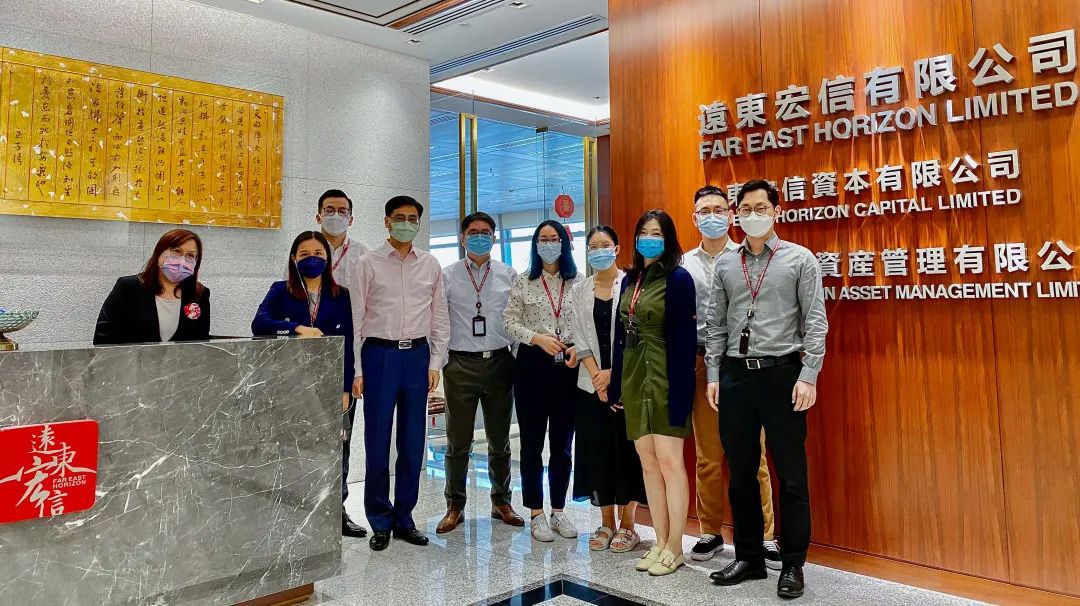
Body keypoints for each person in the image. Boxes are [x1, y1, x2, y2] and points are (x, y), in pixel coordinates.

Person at [705, 180, 828, 599]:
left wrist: (809, 375)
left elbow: (816, 321)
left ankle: (792, 563)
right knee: (740, 474)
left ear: (776, 211)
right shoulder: (726, 263)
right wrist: (713, 374)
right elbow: (716, 324)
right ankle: (749, 558)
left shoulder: (800, 259)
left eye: (761, 207)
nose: (753, 214)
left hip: (783, 376)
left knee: (791, 476)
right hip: (736, 377)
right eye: (746, 208)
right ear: (736, 215)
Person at [680, 186, 779, 566]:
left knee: (754, 456)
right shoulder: (682, 264)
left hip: (743, 364)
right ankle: (709, 532)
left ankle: (764, 535)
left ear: (731, 215)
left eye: (719, 209)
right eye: (704, 210)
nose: (712, 216)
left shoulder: (747, 257)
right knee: (707, 457)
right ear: (694, 218)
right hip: (701, 363)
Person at [347, 195, 449, 552]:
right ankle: (379, 519)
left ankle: (405, 517)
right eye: (399, 217)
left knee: (413, 441)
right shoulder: (367, 263)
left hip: (417, 357)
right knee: (377, 441)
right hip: (379, 355)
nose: (407, 223)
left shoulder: (430, 264)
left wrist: (435, 363)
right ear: (387, 222)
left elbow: (439, 317)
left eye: (412, 218)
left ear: (419, 222)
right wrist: (357, 369)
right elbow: (356, 319)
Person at [250, 231, 362, 538]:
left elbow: (350, 342)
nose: (312, 259)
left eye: (318, 253)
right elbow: (259, 325)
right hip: (291, 385)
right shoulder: (280, 291)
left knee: (338, 450)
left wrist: (345, 386)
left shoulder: (343, 296)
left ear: (328, 258)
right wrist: (296, 328)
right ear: (293, 258)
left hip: (333, 385)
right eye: (304, 254)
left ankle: (336, 511)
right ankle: (295, 512)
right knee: (295, 449)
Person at [610, 209, 697, 576]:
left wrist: (681, 394)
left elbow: (684, 342)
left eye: (657, 233)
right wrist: (616, 384)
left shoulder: (678, 279)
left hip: (665, 377)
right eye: (644, 232)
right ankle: (659, 541)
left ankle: (675, 547)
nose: (649, 239)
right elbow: (619, 337)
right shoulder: (631, 279)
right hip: (634, 378)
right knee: (647, 463)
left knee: (670, 462)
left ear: (669, 239)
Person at [436, 211, 525, 534]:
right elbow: (439, 321)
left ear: (495, 237)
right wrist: (441, 363)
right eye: (473, 232)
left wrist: (516, 359)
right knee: (458, 442)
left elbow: (518, 318)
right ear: (462, 238)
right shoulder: (447, 276)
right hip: (460, 364)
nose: (479, 237)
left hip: (500, 362)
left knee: (500, 441)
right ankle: (454, 505)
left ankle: (501, 501)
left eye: (486, 232)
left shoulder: (508, 274)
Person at [569, 226, 647, 554]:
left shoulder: (632, 284)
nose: (599, 250)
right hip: (590, 387)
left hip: (626, 382)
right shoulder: (580, 289)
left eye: (605, 245)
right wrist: (598, 379)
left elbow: (637, 335)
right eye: (593, 246)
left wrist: (614, 378)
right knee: (597, 452)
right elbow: (579, 337)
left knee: (627, 453)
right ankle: (606, 522)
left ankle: (628, 525)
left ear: (616, 249)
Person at [503, 220, 581, 542]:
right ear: (535, 245)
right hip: (532, 364)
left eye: (554, 238)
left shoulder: (578, 281)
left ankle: (558, 510)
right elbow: (508, 322)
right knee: (532, 443)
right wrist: (537, 338)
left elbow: (586, 322)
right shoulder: (524, 281)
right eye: (543, 239)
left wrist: (577, 346)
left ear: (564, 243)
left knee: (563, 444)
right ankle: (536, 512)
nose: (549, 244)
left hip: (568, 364)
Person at [315, 188, 370, 540]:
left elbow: (367, 314)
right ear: (318, 215)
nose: (335, 215)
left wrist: (358, 371)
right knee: (306, 438)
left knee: (341, 439)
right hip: (307, 357)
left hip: (346, 359)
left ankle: (338, 509)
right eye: (329, 209)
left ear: (351, 217)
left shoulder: (363, 255)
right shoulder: (306, 249)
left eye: (342, 210)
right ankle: (305, 508)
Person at [94, 229, 210, 345]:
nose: (182, 261)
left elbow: (202, 342)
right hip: (131, 357)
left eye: (190, 255)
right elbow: (103, 338)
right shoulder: (128, 287)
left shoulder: (200, 293)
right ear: (159, 253)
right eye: (176, 251)